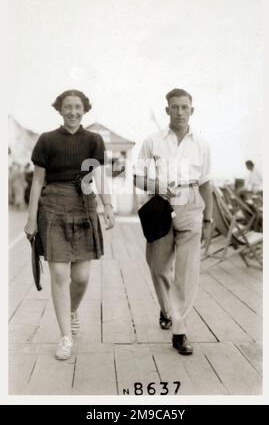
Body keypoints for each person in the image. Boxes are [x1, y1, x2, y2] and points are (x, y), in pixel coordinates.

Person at [24, 89, 115, 360]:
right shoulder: (47, 140)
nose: (72, 111)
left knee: (81, 277)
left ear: (84, 109)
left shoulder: (94, 140)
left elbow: (99, 175)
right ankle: (65, 336)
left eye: (77, 106)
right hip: (52, 207)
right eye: (67, 107)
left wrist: (107, 206)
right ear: (59, 109)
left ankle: (71, 310)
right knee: (60, 275)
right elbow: (38, 182)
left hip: (85, 207)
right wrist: (31, 219)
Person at [134, 88, 213, 355]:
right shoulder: (152, 141)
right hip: (161, 206)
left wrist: (209, 217)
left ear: (193, 110)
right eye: (175, 107)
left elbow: (206, 183)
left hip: (191, 204)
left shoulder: (202, 144)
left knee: (187, 271)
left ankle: (180, 330)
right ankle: (167, 308)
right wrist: (156, 185)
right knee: (158, 266)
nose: (180, 111)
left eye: (185, 107)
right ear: (166, 110)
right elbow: (137, 178)